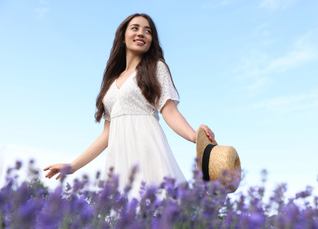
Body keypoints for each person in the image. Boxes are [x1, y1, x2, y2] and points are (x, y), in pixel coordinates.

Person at [44, 13, 215, 194]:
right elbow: (107, 135)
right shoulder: (111, 82)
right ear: (123, 38)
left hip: (148, 151)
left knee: (155, 211)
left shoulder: (156, 68)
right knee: (123, 216)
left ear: (151, 40)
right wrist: (72, 166)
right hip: (119, 161)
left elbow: (170, 112)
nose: (141, 33)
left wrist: (194, 136)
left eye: (147, 31)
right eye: (135, 28)